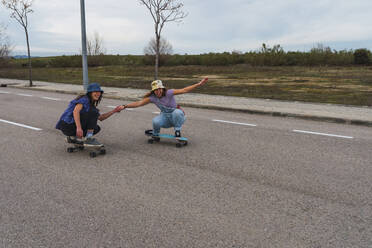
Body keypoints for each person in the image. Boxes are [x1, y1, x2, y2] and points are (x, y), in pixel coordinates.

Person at [119, 77, 208, 137]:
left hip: (177, 116)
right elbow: (138, 103)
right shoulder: (152, 98)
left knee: (176, 112)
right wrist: (125, 106)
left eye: (159, 89)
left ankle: (177, 131)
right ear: (153, 91)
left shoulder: (169, 93)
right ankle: (156, 134)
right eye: (155, 90)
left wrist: (199, 84)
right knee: (155, 121)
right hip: (165, 117)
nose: (158, 91)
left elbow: (184, 90)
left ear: (162, 88)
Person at [56, 82, 123, 146]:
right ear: (90, 93)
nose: (98, 94)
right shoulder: (84, 99)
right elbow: (75, 111)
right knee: (93, 113)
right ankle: (88, 139)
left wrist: (114, 110)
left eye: (99, 92)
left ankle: (73, 138)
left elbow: (101, 118)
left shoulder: (90, 104)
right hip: (68, 125)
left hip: (69, 127)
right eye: (95, 92)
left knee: (96, 128)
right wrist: (79, 128)